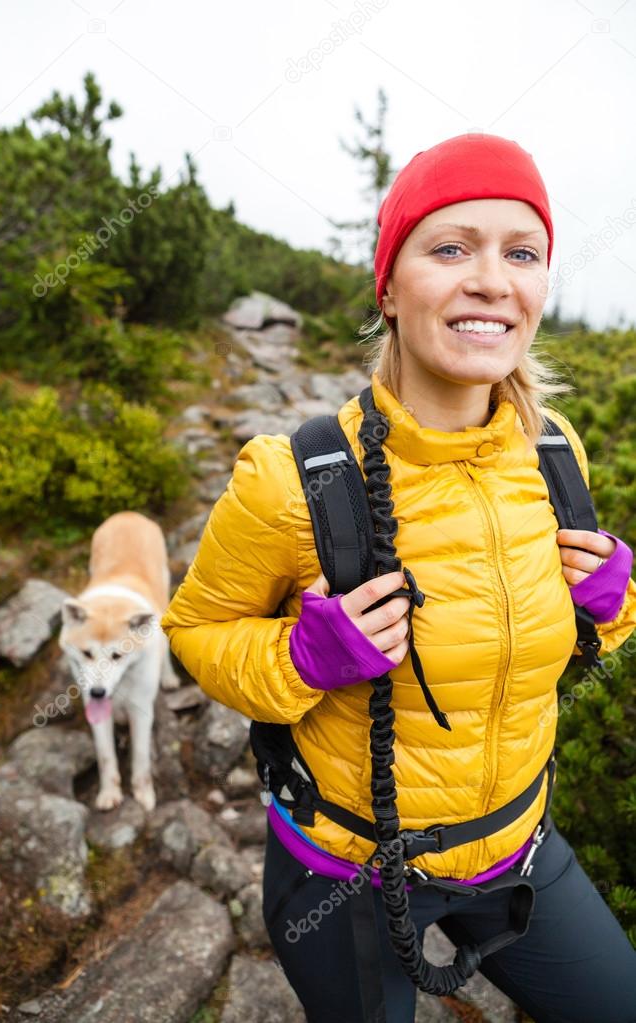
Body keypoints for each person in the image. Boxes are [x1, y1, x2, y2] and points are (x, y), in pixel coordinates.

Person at [160, 132, 636, 1023]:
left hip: (519, 848)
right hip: (348, 878)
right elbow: (197, 632)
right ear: (388, 283)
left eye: (521, 253)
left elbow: (564, 630)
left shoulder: (553, 453)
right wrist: (303, 659)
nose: (493, 279)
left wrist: (612, 606)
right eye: (451, 247)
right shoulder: (292, 476)